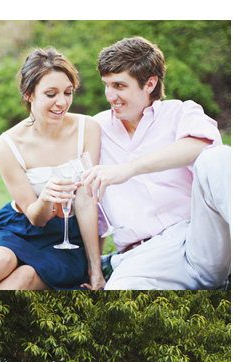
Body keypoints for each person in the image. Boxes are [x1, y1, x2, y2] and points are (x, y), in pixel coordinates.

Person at [82, 36, 230, 289]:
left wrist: (127, 169)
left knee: (219, 157)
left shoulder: (180, 112)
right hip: (144, 256)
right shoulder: (94, 129)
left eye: (119, 85)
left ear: (149, 83)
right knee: (118, 304)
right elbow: (85, 202)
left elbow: (203, 146)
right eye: (106, 85)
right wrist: (96, 273)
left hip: (201, 238)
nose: (110, 96)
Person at [0, 48, 105, 290]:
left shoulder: (88, 128)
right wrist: (46, 199)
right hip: (20, 227)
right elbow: (35, 217)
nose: (62, 102)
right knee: (1, 260)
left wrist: (96, 269)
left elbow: (86, 201)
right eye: (51, 94)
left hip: (67, 240)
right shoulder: (6, 146)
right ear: (29, 94)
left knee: (23, 278)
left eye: (68, 92)